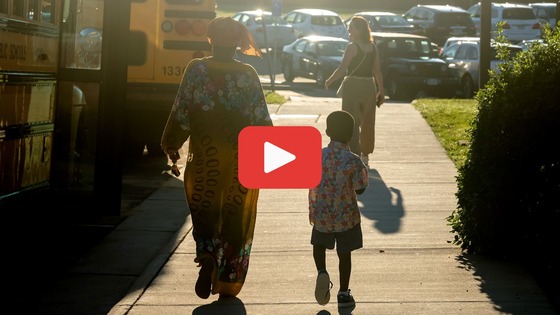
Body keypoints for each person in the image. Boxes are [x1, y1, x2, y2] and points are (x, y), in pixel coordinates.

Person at [160, 16, 272, 299]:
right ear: (237, 43)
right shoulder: (248, 75)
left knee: (205, 206)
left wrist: (171, 144)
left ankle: (207, 253)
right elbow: (262, 121)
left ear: (210, 39)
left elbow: (182, 110)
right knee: (236, 212)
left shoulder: (196, 70)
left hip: (205, 157)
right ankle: (227, 278)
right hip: (240, 158)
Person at [309, 110, 369, 308]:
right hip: (346, 217)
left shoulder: (317, 156)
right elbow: (360, 189)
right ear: (351, 136)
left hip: (322, 214)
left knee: (319, 245)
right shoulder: (353, 160)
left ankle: (322, 272)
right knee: (345, 254)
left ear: (327, 132)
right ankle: (343, 292)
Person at [325, 16, 385, 167]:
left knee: (351, 121)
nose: (349, 30)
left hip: (353, 86)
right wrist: (381, 90)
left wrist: (329, 80)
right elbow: (377, 71)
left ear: (359, 30)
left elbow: (342, 68)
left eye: (352, 27)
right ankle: (365, 155)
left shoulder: (352, 47)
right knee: (368, 121)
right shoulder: (373, 47)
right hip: (369, 86)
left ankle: (354, 154)